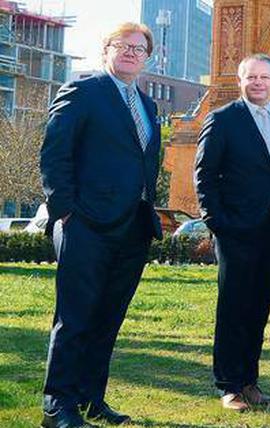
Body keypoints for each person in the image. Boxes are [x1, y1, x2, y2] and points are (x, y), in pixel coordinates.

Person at [38, 22, 162, 428]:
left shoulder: (148, 105)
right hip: (85, 224)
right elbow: (55, 151)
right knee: (75, 317)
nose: (131, 53)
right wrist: (65, 210)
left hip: (132, 228)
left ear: (148, 57)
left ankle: (92, 399)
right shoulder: (83, 91)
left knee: (108, 318)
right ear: (106, 50)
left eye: (139, 48)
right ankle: (58, 406)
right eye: (122, 46)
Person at [194, 53, 270, 411]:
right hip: (236, 230)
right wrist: (218, 223)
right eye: (251, 77)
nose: (258, 83)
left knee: (259, 306)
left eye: (264, 78)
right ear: (241, 81)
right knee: (234, 306)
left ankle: (250, 381)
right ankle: (229, 385)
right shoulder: (223, 120)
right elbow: (205, 176)